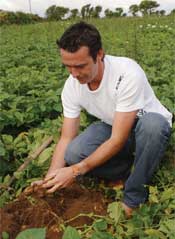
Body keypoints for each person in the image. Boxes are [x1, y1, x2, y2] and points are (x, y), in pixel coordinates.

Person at [33, 22, 172, 217]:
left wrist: (74, 172)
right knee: (73, 152)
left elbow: (117, 139)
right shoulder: (72, 85)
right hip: (114, 126)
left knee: (153, 127)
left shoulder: (127, 73)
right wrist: (50, 178)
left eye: (80, 66)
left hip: (144, 126)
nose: (73, 74)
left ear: (99, 54)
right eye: (68, 67)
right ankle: (127, 169)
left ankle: (133, 197)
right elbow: (66, 138)